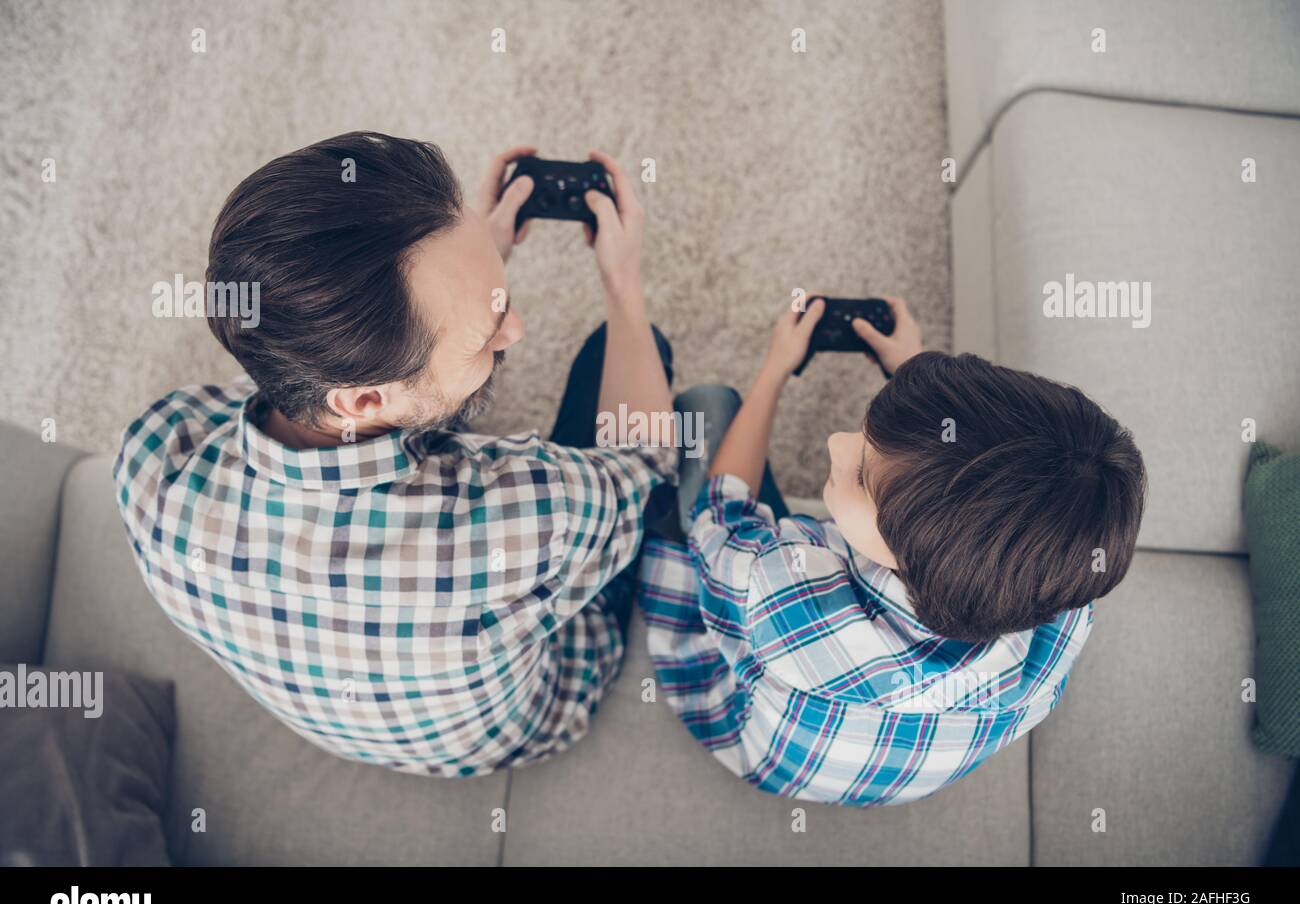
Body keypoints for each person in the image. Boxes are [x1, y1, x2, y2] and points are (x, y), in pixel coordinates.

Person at [114, 132, 674, 776]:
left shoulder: (154, 455)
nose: (514, 329)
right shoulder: (533, 511)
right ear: (363, 402)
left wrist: (468, 260)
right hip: (528, 724)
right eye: (487, 334)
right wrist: (622, 282)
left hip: (341, 724)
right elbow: (650, 466)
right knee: (633, 347)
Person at [638, 296, 1147, 805]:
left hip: (754, 745)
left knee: (710, 404)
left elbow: (721, 512)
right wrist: (921, 382)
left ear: (917, 556)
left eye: (859, 476)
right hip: (882, 775)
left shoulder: (775, 587)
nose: (837, 442)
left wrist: (774, 369)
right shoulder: (1063, 584)